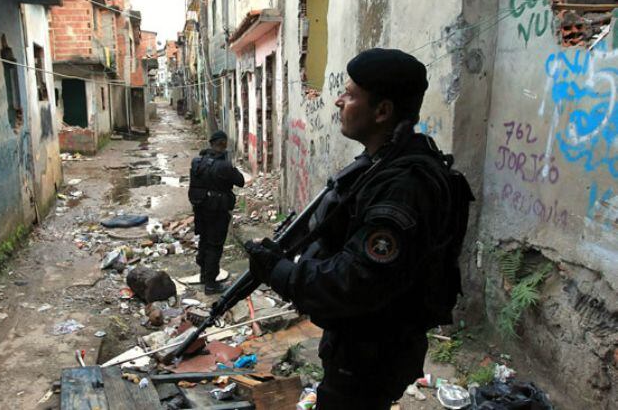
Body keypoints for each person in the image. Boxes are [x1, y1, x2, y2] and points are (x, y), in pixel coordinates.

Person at [244, 49, 473, 409]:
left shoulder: (403, 185)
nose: (337, 100)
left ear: (382, 111)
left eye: (350, 95)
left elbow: (354, 281)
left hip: (372, 355)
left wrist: (281, 272)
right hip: (362, 346)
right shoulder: (382, 165)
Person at [189, 130, 245, 295]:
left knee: (204, 241)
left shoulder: (197, 162)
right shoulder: (224, 166)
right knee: (215, 245)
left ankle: (203, 275)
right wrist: (231, 165)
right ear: (223, 144)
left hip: (200, 209)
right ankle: (211, 284)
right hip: (217, 211)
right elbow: (240, 181)